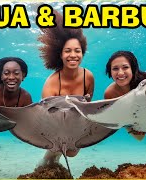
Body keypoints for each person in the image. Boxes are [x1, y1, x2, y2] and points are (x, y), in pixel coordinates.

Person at [38, 10, 95, 166]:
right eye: (67, 51)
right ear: (60, 54)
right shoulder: (51, 83)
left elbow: (89, 106)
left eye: (77, 51)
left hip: (76, 120)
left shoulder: (88, 76)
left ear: (82, 52)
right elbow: (47, 118)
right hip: (53, 123)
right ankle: (47, 160)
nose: (73, 55)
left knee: (72, 152)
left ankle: (56, 156)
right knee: (57, 149)